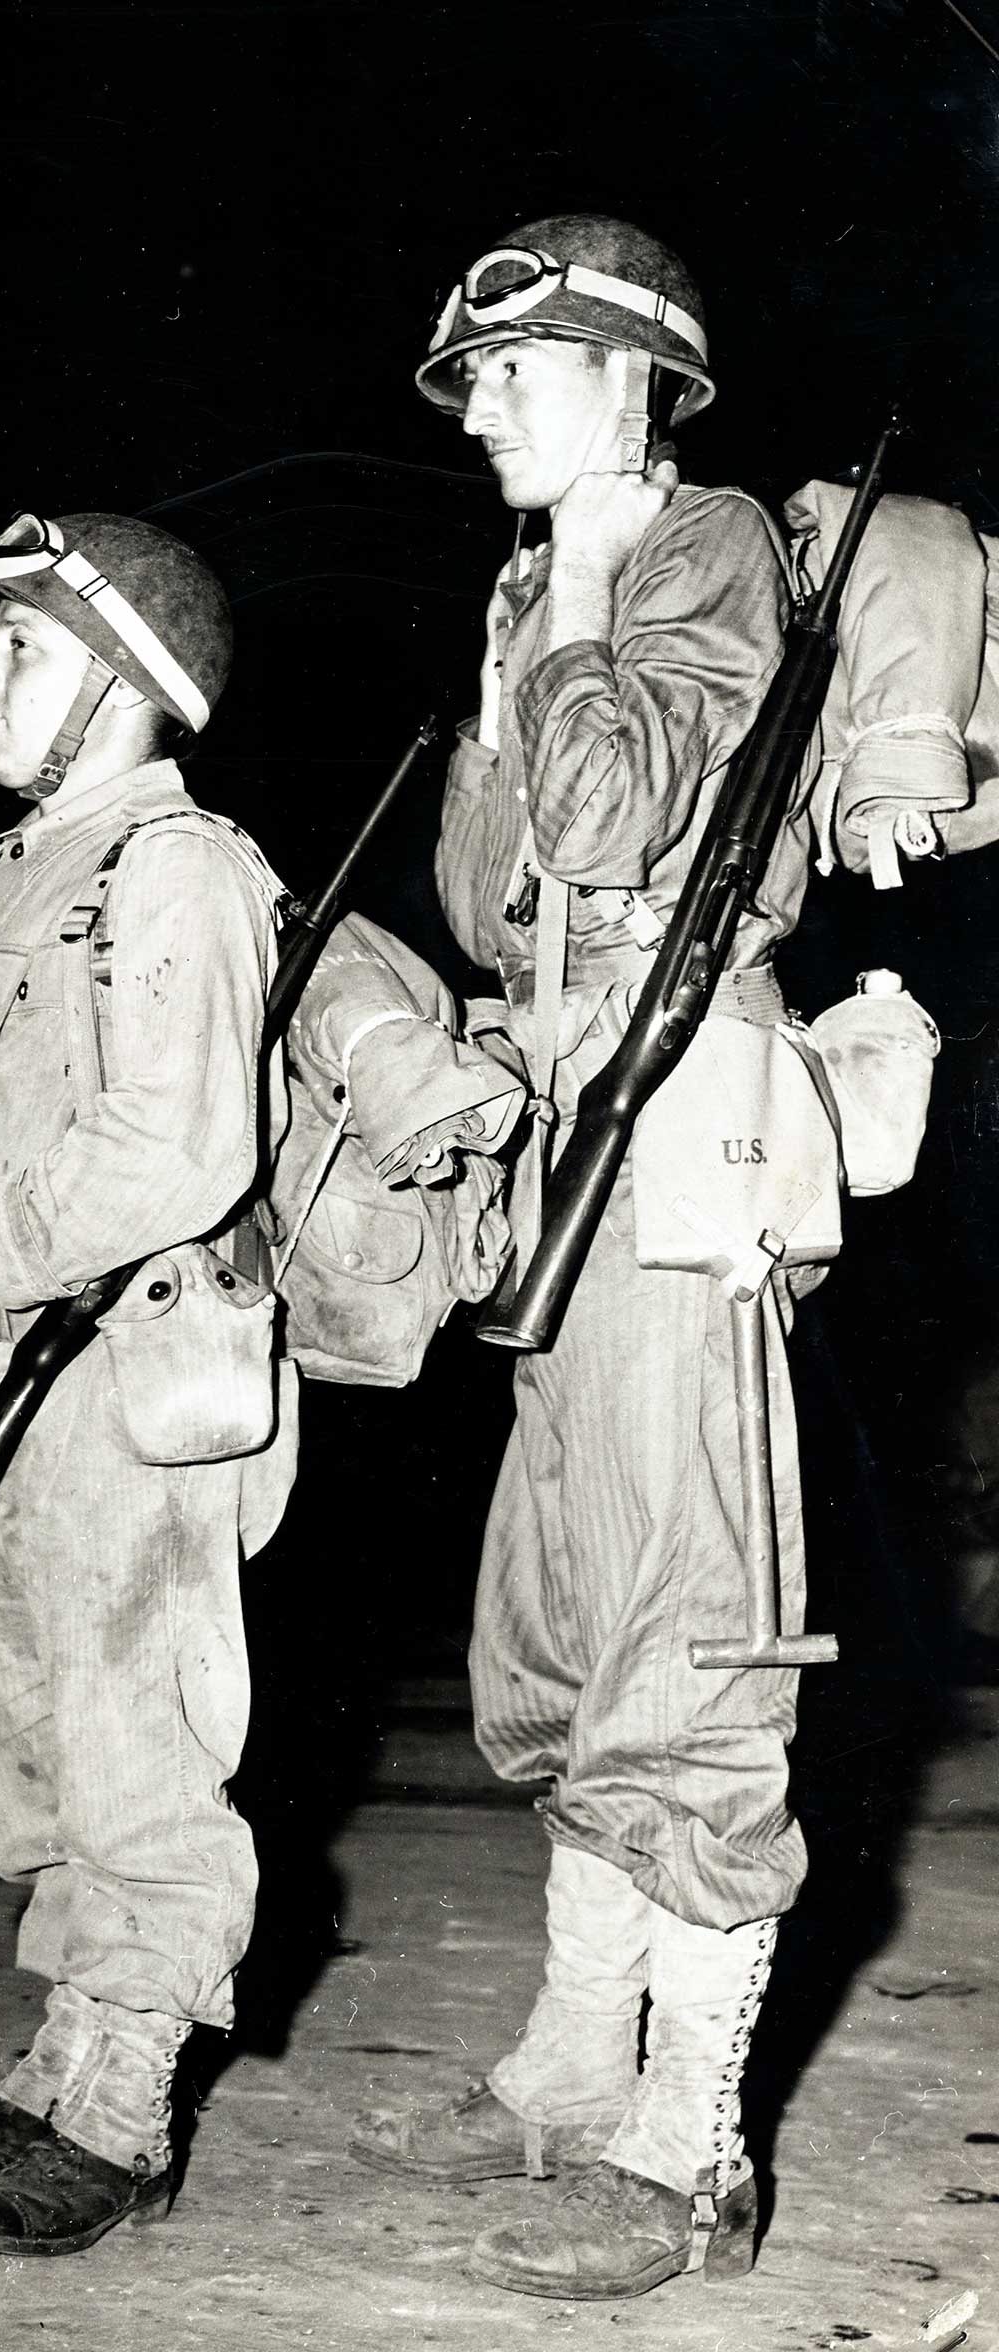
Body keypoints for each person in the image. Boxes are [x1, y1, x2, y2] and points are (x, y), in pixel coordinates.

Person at [346, 217, 810, 2299]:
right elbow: (481, 890)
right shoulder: (545, 587)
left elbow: (613, 826)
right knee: (556, 1622)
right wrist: (525, 648)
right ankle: (571, 2060)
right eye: (472, 380)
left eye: (521, 371)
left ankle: (691, 2138)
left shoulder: (700, 552)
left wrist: (589, 604)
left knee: (688, 1638)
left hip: (683, 1129)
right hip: (567, 1133)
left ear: (636, 381)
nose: (482, 412)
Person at [0, 511, 296, 2256]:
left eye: (21, 648)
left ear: (121, 686)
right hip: (12, 1377)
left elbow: (174, 1154)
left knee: (137, 1754)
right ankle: (60, 2066)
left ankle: (122, 2115)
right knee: (34, 1745)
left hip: (123, 1376)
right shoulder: (44, 857)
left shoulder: (172, 869)